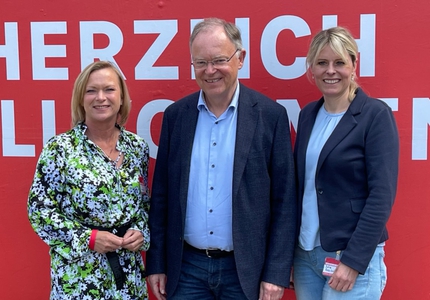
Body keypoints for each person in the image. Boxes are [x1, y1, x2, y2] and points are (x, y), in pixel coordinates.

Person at [146, 18, 297, 300]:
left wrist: (276, 273)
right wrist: (156, 263)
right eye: (200, 62)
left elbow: (284, 202)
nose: (210, 70)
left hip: (245, 271)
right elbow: (162, 197)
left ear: (240, 58)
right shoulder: (176, 117)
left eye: (218, 60)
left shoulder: (270, 116)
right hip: (186, 269)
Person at [27, 61, 150, 299]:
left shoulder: (137, 148)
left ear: (122, 98)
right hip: (79, 279)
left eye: (109, 89)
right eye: (91, 90)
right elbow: (39, 211)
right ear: (81, 99)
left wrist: (140, 230)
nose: (101, 98)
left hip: (128, 278)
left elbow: (144, 205)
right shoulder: (60, 149)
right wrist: (89, 238)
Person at [292, 26, 399, 300]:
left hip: (348, 258)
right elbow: (301, 188)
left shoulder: (374, 116)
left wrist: (353, 261)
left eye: (339, 62)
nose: (331, 71)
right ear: (311, 69)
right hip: (306, 257)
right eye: (322, 63)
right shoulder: (308, 116)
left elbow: (381, 195)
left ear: (353, 65)